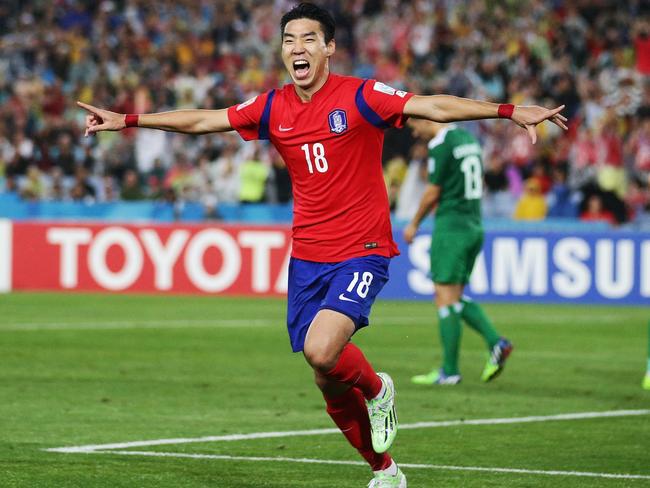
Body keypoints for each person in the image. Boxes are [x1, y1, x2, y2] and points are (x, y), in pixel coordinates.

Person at [77, 4, 567, 486]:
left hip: (363, 247)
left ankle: (379, 389)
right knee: (325, 377)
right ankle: (386, 471)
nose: (298, 48)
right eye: (289, 40)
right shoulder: (272, 107)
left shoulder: (361, 96)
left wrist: (506, 111)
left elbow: (431, 105)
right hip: (308, 256)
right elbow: (207, 120)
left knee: (320, 349)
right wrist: (131, 121)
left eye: (309, 38)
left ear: (329, 48)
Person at [403, 119, 513, 386]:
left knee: (446, 298)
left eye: (415, 125)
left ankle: (455, 368)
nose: (416, 132)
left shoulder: (441, 145)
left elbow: (433, 191)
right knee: (448, 297)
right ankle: (484, 349)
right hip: (474, 225)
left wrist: (414, 222)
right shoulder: (468, 140)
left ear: (428, 118)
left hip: (451, 227)